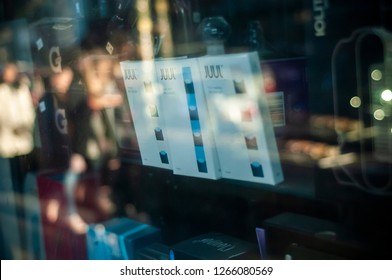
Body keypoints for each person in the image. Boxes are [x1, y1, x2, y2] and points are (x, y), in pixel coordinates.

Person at [0, 62, 36, 259]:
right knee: (13, 172)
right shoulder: (2, 91)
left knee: (23, 171)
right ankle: (17, 194)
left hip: (24, 140)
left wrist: (24, 125)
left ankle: (22, 192)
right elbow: (3, 116)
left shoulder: (22, 89)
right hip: (9, 141)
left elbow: (29, 113)